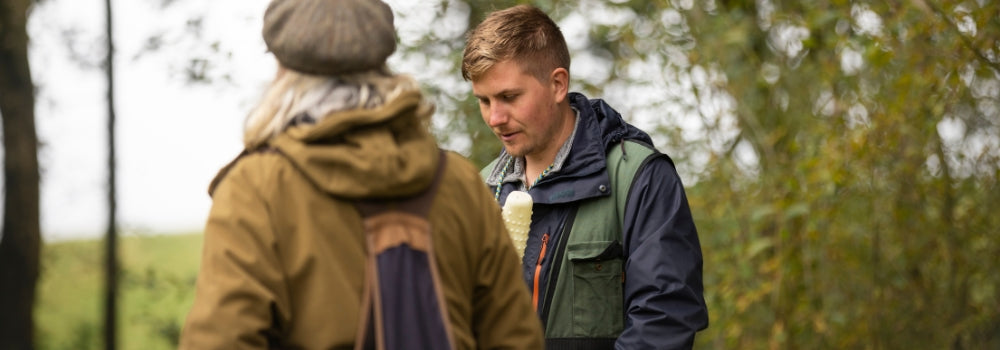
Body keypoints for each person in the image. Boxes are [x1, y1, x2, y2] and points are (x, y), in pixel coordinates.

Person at [178, 0, 544, 349]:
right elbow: (514, 339)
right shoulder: (459, 183)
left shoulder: (256, 188)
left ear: (283, 68)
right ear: (381, 63)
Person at [462, 4, 709, 349]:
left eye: (509, 97)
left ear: (558, 84)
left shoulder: (638, 177)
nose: (495, 117)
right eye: (484, 101)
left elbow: (665, 320)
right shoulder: (479, 190)